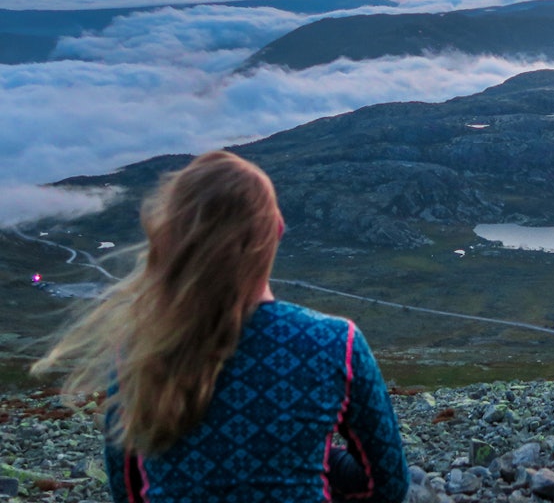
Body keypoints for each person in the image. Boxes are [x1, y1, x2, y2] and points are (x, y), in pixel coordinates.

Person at [33, 150, 410, 503]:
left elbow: (128, 490)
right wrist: (316, 457)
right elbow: (388, 484)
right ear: (276, 231)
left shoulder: (139, 349)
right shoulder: (334, 343)